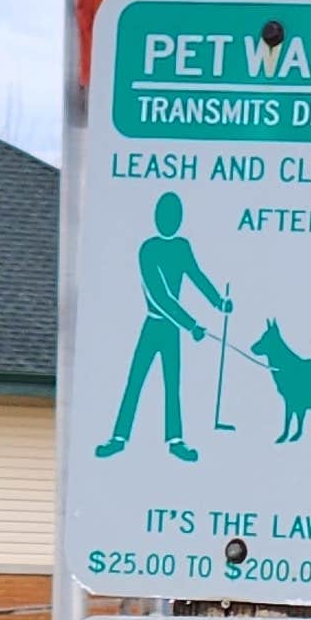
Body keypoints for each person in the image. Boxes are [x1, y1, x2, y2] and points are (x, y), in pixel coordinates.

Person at [98, 191, 230, 461]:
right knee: (136, 380)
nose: (167, 221)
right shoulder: (148, 249)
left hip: (172, 331)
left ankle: (175, 440)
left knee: (173, 384)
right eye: (163, 216)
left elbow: (196, 276)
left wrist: (219, 302)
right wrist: (191, 324)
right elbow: (159, 296)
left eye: (172, 216)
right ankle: (119, 437)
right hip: (154, 324)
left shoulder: (182, 247)